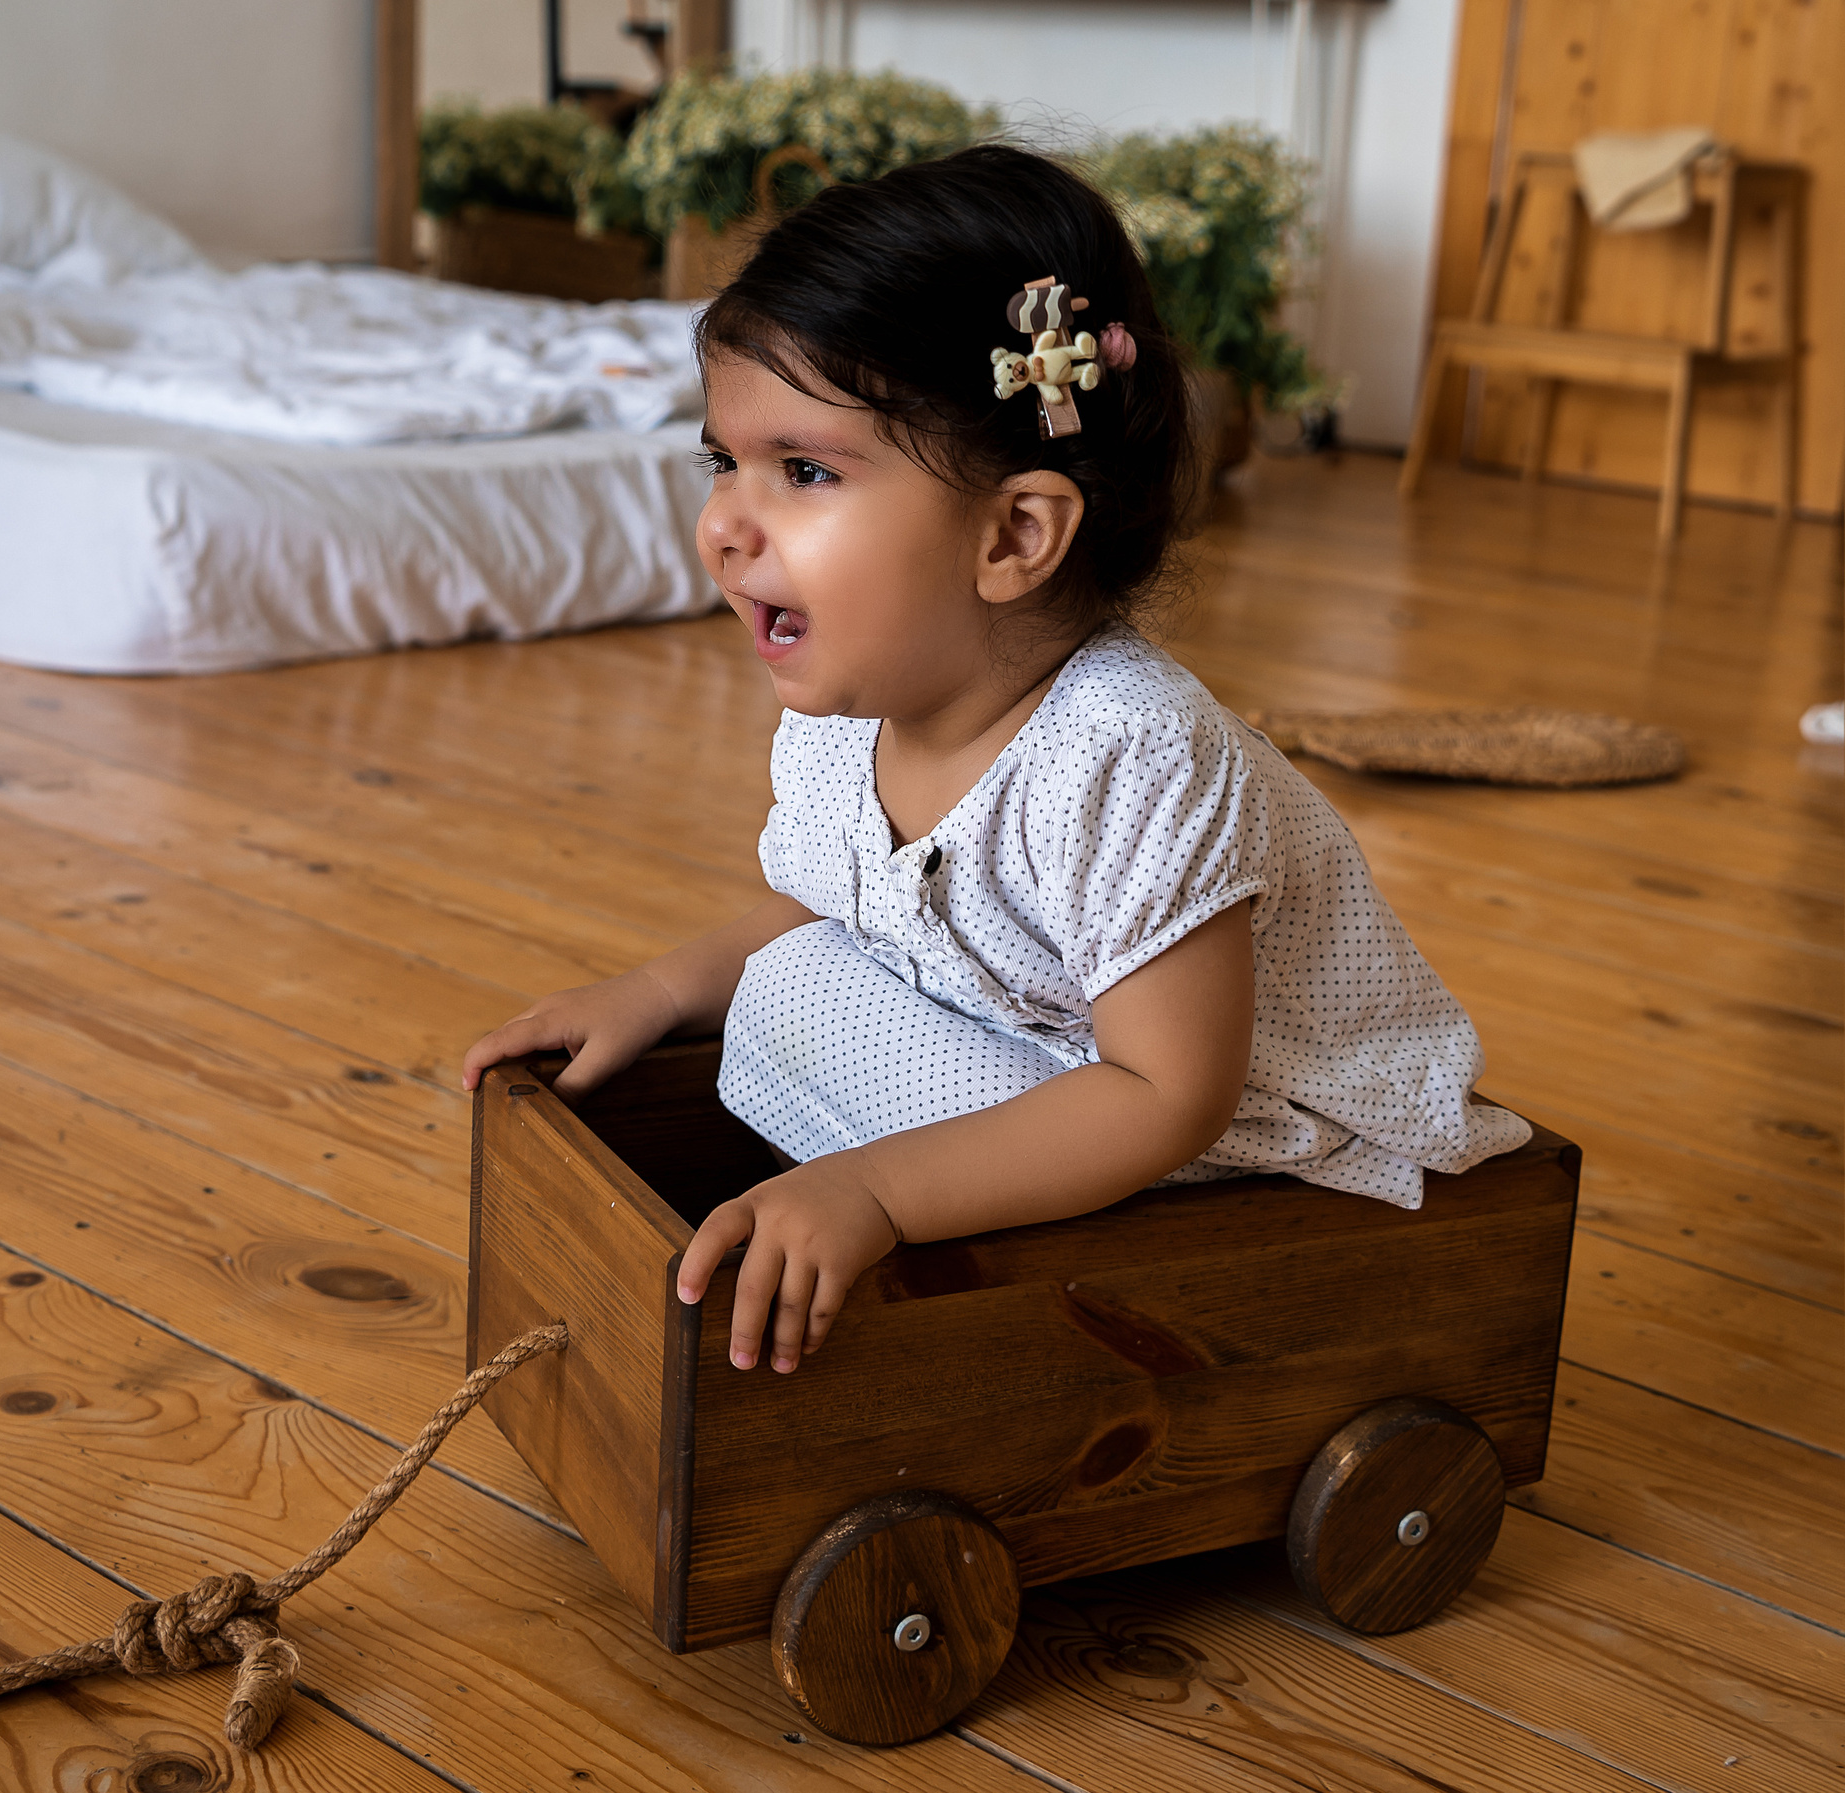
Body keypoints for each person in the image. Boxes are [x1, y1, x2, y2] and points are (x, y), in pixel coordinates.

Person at [459, 145, 1526, 1381]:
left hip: (1228, 1136)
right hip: (1033, 1049)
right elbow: (835, 905)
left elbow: (1165, 1092)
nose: (722, 525)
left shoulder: (1133, 756)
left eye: (803, 471)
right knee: (788, 981)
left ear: (1016, 533)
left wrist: (877, 1191)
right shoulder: (852, 709)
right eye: (722, 463)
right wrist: (653, 993)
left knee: (808, 1010)